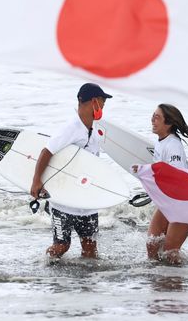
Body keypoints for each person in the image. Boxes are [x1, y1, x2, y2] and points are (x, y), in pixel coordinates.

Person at [30, 83, 112, 259]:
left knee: (90, 250)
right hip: (63, 203)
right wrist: (37, 181)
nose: (104, 104)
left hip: (86, 203)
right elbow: (47, 152)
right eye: (102, 101)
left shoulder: (95, 130)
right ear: (93, 102)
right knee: (61, 247)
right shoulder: (71, 128)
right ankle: (44, 270)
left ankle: (85, 283)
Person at [143, 104, 188, 264]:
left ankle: (175, 283)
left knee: (170, 252)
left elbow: (178, 178)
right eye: (153, 115)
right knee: (152, 244)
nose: (152, 119)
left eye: (157, 117)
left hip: (183, 202)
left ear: (169, 123)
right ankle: (159, 279)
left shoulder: (173, 145)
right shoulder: (161, 142)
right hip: (168, 200)